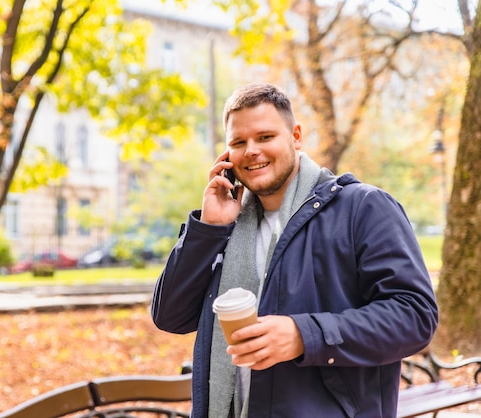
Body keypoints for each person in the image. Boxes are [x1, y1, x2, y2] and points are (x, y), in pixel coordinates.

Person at [151, 82, 438, 418]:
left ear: (296, 136)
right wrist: (208, 229)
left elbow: (415, 316)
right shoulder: (224, 227)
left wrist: (306, 336)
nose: (251, 150)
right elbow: (171, 316)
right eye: (238, 142)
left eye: (265, 137)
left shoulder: (364, 207)